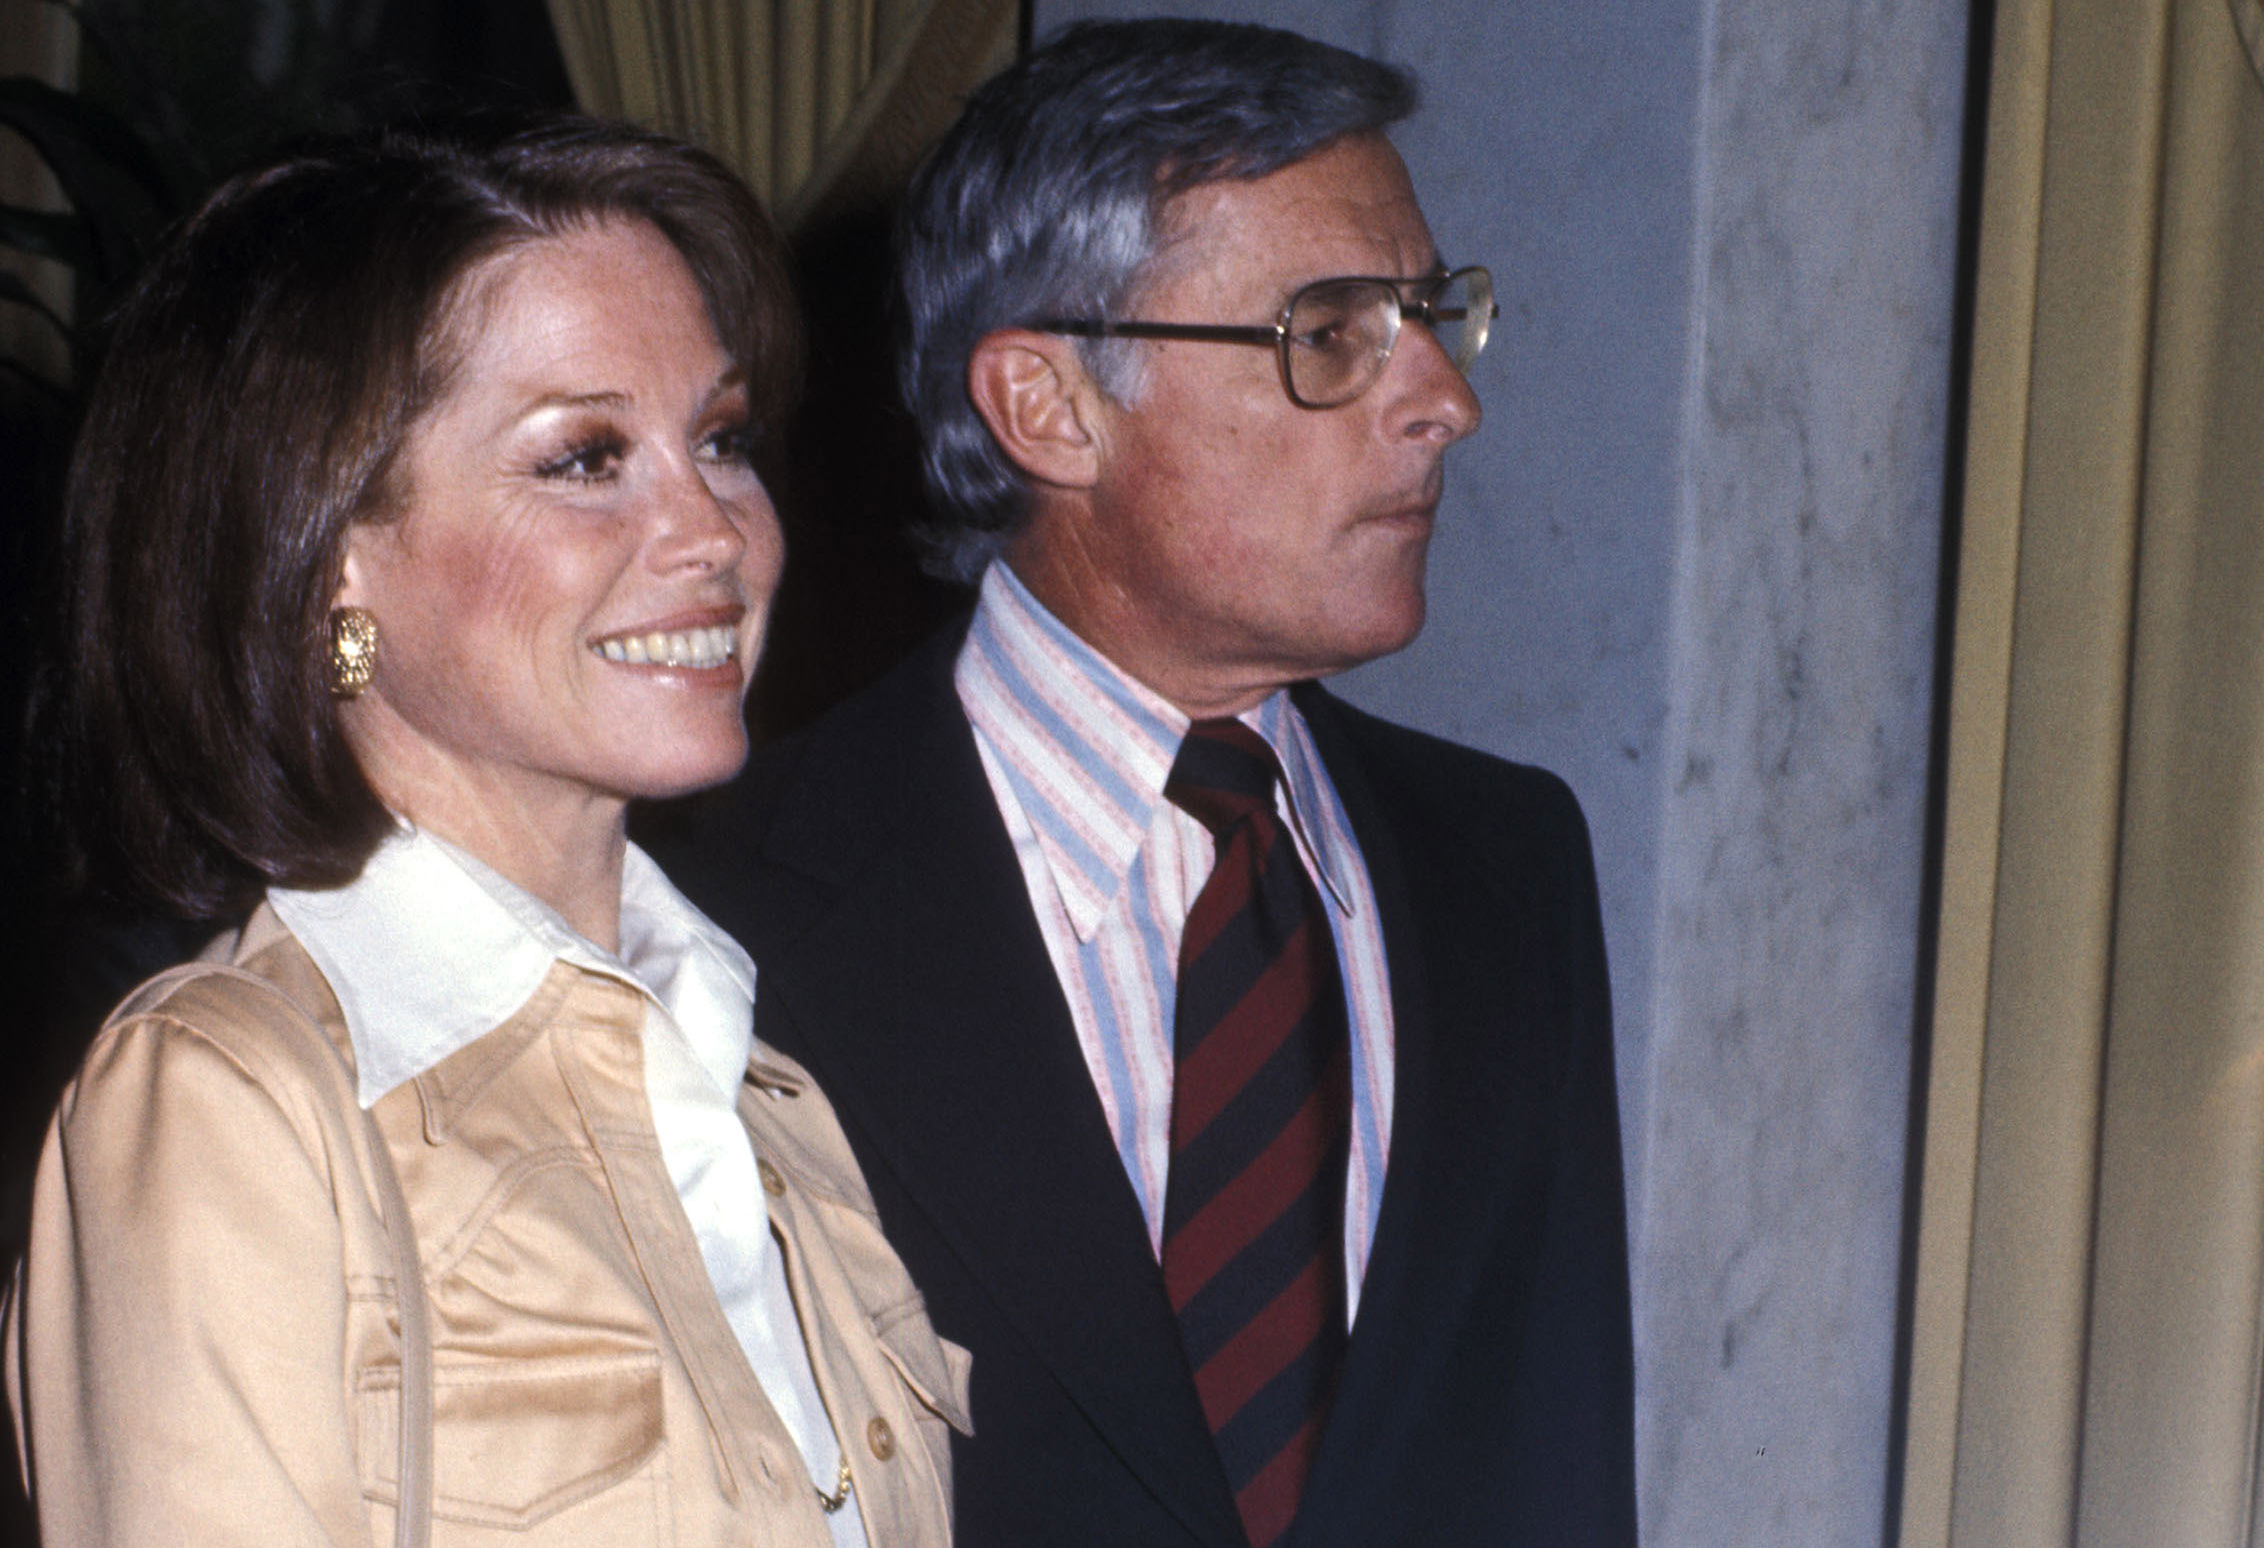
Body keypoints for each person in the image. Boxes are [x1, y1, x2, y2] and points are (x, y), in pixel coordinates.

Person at [665, 19, 1636, 1548]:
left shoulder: (1505, 865)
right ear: (1048, 406)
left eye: (1433, 312)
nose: (1445, 397)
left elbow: (1556, 1475)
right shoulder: (708, 912)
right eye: (1333, 331)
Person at [4, 114, 968, 1547]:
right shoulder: (230, 1103)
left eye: (720, 437)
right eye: (585, 457)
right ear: (333, 561)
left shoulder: (766, 1095)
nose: (713, 528)